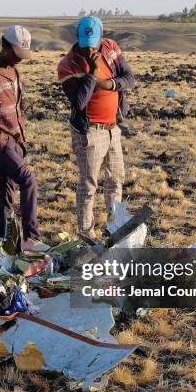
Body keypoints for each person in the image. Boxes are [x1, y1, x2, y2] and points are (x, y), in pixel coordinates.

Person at [0, 26, 50, 253]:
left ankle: (1, 238)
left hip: (16, 140)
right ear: (4, 46)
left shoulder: (14, 72)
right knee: (28, 180)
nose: (18, 60)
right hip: (0, 142)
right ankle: (31, 238)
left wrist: (20, 134)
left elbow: (18, 105)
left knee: (6, 190)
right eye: (15, 54)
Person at [57, 16, 135, 242]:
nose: (90, 47)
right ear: (78, 38)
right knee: (89, 182)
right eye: (85, 42)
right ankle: (86, 234)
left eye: (94, 41)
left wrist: (110, 84)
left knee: (116, 178)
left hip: (112, 127)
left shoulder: (110, 47)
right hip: (90, 131)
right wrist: (91, 72)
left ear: (102, 36)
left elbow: (129, 77)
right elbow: (79, 101)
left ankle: (114, 226)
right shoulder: (68, 64)